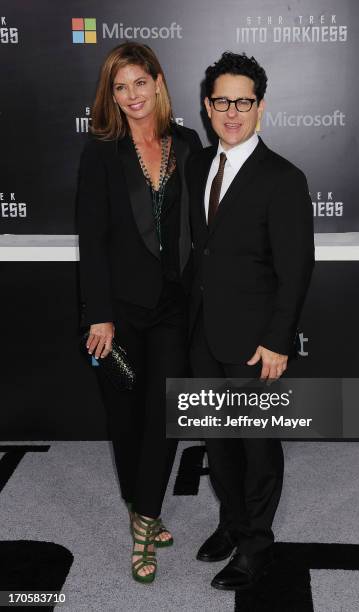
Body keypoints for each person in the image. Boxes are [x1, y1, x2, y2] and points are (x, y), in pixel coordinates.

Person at [187, 51, 315, 590]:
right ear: (207, 106)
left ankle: (257, 543)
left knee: (257, 445)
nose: (232, 112)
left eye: (243, 102)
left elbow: (296, 268)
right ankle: (232, 522)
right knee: (216, 442)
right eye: (222, 101)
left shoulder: (283, 178)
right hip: (200, 334)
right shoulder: (198, 166)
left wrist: (277, 340)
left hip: (254, 340)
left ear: (260, 107)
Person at [76, 42, 201, 584]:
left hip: (175, 305)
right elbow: (93, 239)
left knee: (166, 414)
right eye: (119, 87)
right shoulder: (102, 151)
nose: (131, 96)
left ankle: (145, 521)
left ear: (157, 81)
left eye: (139, 83)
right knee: (126, 421)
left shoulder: (189, 143)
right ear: (112, 94)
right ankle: (140, 502)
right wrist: (98, 315)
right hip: (121, 311)